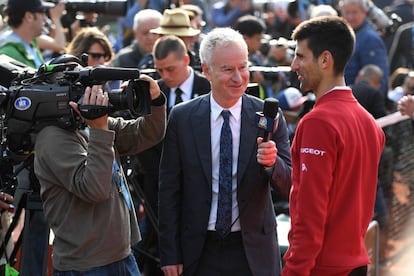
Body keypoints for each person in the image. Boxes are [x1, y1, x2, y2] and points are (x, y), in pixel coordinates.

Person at [158, 27, 292, 276]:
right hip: (199, 250)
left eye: (243, 67)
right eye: (228, 69)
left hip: (253, 251)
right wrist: (170, 253)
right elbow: (169, 190)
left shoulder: (269, 116)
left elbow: (291, 184)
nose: (238, 78)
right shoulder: (182, 117)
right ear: (206, 70)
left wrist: (273, 164)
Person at [282, 15, 385, 275]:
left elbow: (310, 212)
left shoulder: (317, 123)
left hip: (322, 267)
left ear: (325, 60)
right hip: (354, 263)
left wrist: (294, 270)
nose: (294, 65)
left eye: (301, 56)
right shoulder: (369, 122)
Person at [33, 74, 167, 274]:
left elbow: (147, 133)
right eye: (85, 91)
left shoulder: (88, 124)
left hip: (121, 255)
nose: (96, 94)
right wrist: (100, 131)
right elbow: (95, 189)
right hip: (87, 265)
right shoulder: (53, 138)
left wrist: (155, 100)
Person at [133, 34, 211, 276]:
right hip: (160, 188)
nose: (165, 75)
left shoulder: (209, 88)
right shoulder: (153, 93)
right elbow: (143, 141)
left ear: (186, 60)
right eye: (159, 69)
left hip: (204, 189)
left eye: (170, 68)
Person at [339, 0, 390, 97]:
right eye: (347, 12)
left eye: (354, 12)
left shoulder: (369, 38)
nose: (350, 17)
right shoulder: (346, 34)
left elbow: (378, 78)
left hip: (362, 103)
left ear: (364, 12)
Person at [0, 0, 54, 69]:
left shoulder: (31, 42)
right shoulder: (8, 54)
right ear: (29, 17)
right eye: (42, 12)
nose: (45, 18)